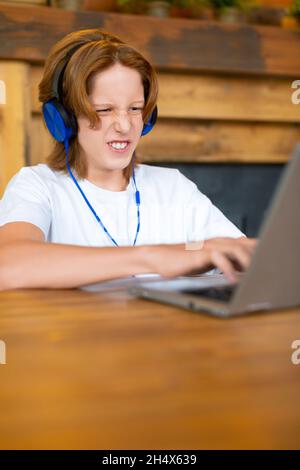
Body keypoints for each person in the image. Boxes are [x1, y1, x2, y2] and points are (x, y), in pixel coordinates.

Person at [0, 29, 256, 290]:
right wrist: (150, 258)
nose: (124, 126)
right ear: (63, 118)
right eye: (104, 110)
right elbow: (7, 266)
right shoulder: (37, 186)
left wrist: (205, 249)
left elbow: (229, 251)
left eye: (135, 109)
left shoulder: (173, 187)